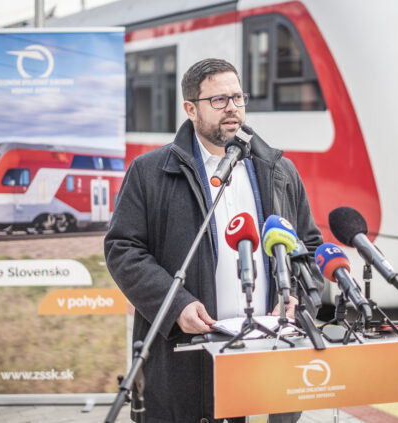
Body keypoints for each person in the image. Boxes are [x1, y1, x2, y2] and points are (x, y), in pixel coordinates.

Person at [105, 58, 323, 423]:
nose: (233, 108)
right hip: (190, 355)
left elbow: (310, 247)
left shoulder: (279, 171)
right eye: (219, 100)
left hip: (270, 351)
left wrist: (297, 299)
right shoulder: (151, 172)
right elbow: (122, 248)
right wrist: (175, 305)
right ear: (190, 108)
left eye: (238, 97)